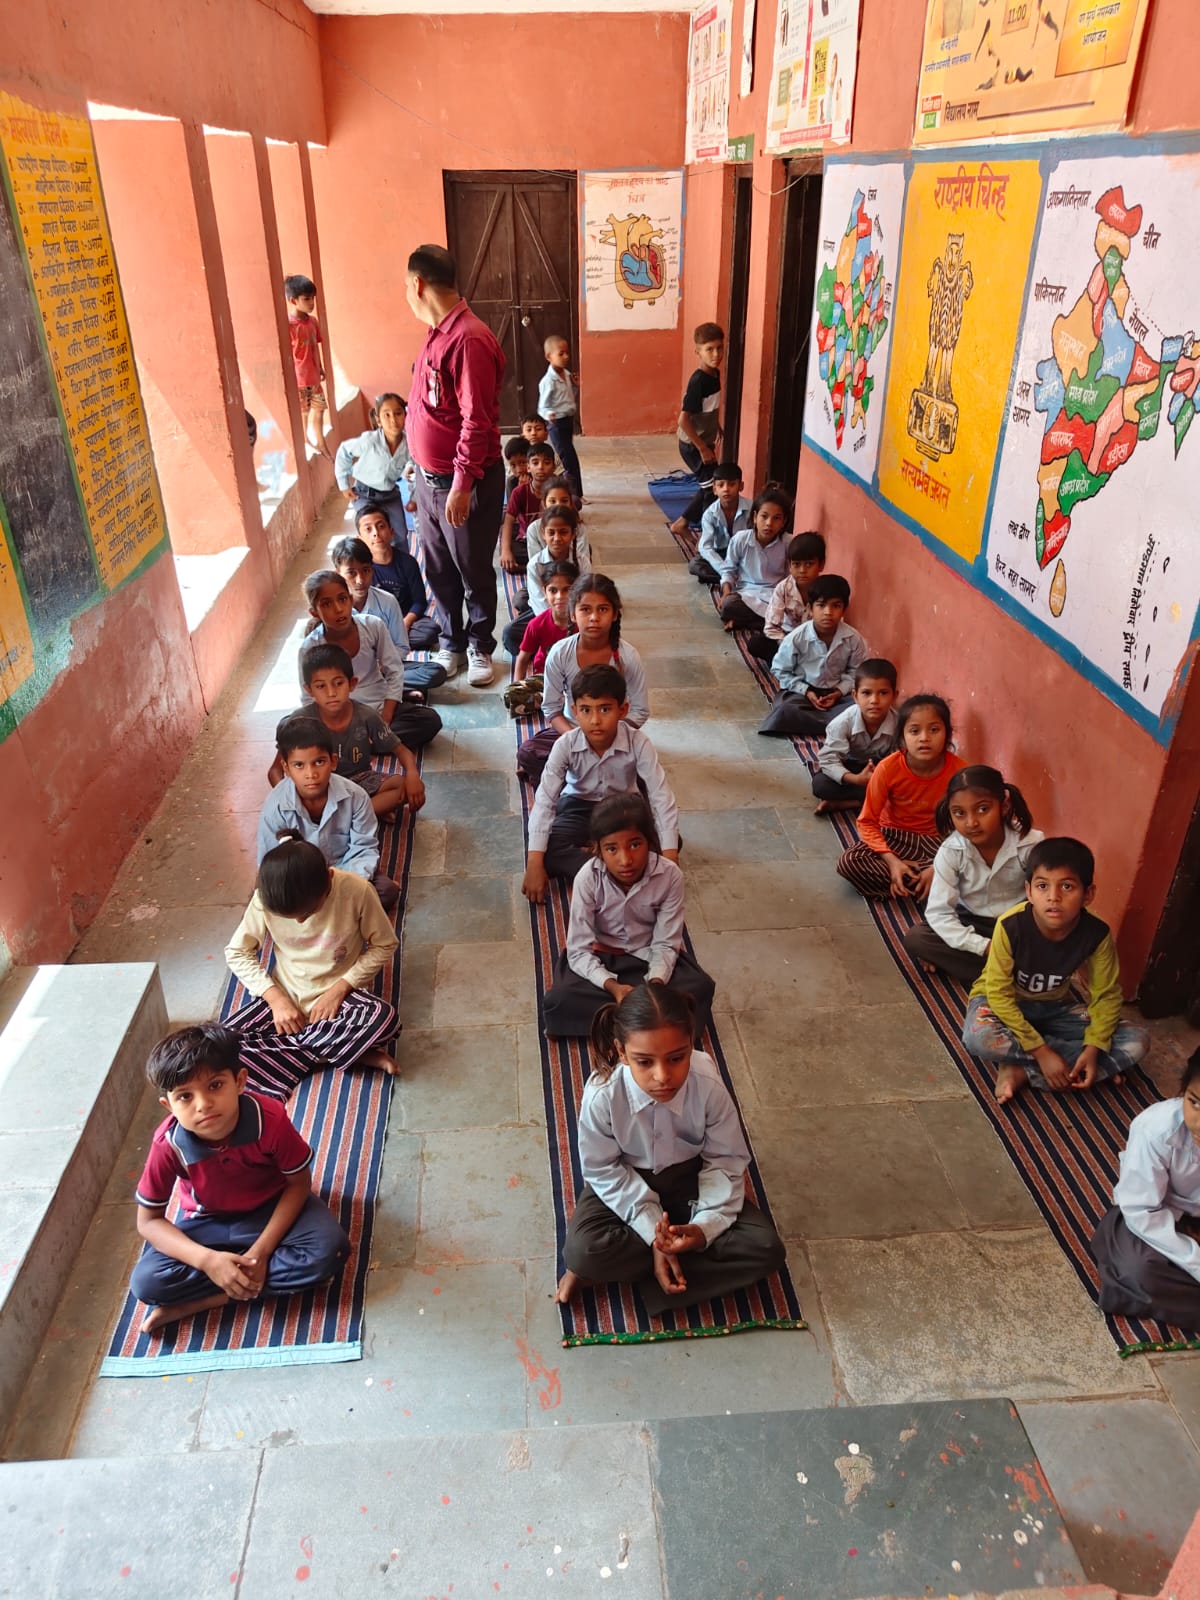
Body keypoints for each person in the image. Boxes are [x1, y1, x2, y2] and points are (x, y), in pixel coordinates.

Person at [554, 984, 786, 1314]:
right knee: (582, 1253)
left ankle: (641, 1270)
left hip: (692, 1177)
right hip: (626, 1179)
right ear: (621, 1052)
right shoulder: (602, 1095)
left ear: (691, 1046)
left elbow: (725, 1159)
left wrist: (702, 1228)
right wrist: (652, 1233)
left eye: (677, 1058)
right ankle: (665, 1261)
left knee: (766, 1249)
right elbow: (602, 1169)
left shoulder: (707, 1083)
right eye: (644, 1061)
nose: (663, 1076)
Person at [129, 1023, 351, 1335]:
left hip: (276, 1208)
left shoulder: (270, 1119)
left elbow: (298, 1183)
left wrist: (259, 1253)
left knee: (332, 1251)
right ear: (169, 1105)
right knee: (147, 1283)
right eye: (184, 1096)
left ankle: (209, 1300)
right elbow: (149, 1221)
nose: (203, 1104)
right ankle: (242, 1281)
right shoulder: (168, 1145)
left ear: (240, 1081)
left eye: (215, 1086)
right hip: (209, 1223)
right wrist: (208, 1261)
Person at [963, 837, 1150, 1104]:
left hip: (1054, 1007)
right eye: (1042, 886)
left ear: (1088, 894)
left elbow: (1107, 995)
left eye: (1067, 886)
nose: (1053, 897)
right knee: (979, 1038)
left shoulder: (1096, 934)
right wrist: (1041, 1051)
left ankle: (1023, 1070)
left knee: (1137, 1040)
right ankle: (1067, 1065)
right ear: (1028, 891)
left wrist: (1094, 1047)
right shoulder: (1010, 925)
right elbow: (998, 993)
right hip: (1000, 1005)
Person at [225, 834, 400, 1101]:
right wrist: (276, 999)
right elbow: (237, 952)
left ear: (330, 878)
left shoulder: (357, 890)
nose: (299, 920)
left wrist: (340, 989)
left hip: (341, 998)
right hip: (286, 994)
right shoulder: (265, 897)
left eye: (307, 913)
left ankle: (291, 1054)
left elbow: (384, 944)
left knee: (382, 1017)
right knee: (222, 1045)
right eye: (290, 917)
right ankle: (345, 1050)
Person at [405, 244, 506, 686]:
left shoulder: (468, 338)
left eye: (405, 288)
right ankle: (451, 642)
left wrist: (463, 483)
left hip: (462, 482)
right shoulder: (437, 332)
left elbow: (476, 419)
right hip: (429, 481)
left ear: (418, 284)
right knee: (439, 566)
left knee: (473, 566)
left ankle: (481, 646)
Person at [543, 792, 713, 1039]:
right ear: (597, 850)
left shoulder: (669, 876)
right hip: (602, 957)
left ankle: (616, 1020)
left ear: (650, 841)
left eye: (635, 844)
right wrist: (613, 987)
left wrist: (654, 985)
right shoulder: (587, 877)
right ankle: (648, 1019)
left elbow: (666, 942)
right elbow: (578, 949)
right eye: (612, 848)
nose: (625, 860)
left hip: (648, 956)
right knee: (559, 1000)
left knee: (700, 987)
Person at [522, 663, 678, 890]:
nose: (595, 720)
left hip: (623, 808)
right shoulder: (565, 744)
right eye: (586, 710)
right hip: (578, 806)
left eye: (605, 709)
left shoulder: (638, 742)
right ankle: (617, 872)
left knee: (667, 843)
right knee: (545, 849)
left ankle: (598, 865)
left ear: (622, 710)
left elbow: (660, 796)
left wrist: (671, 861)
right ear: (574, 711)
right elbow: (545, 799)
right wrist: (534, 864)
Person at [1090, 1048, 1200, 1330]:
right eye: (1195, 1102)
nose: (1199, 1121)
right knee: (1138, 1270)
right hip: (1158, 1207)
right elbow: (1141, 1211)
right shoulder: (1156, 1128)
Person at [902, 765, 1043, 985]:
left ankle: (996, 971)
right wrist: (984, 947)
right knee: (917, 939)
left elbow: (1045, 896)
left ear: (1004, 806)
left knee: (1055, 938)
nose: (971, 823)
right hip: (973, 921)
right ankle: (1012, 974)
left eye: (983, 809)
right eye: (959, 813)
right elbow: (940, 913)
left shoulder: (1030, 844)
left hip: (1018, 923)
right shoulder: (952, 851)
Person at [516, 574, 649, 785]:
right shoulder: (560, 653)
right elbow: (551, 707)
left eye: (602, 609)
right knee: (528, 753)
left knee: (641, 775)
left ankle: (574, 780)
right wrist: (578, 739)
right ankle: (587, 782)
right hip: (571, 730)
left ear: (615, 614)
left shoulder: (628, 657)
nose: (594, 617)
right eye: (585, 609)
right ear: (572, 614)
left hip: (614, 734)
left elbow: (640, 710)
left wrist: (607, 735)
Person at [259, 714, 400, 911]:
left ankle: (322, 910)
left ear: (333, 762)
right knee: (271, 897)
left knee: (386, 891)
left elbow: (363, 849)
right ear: (286, 768)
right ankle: (332, 910)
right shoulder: (275, 808)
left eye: (319, 762)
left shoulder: (355, 797)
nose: (311, 774)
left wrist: (339, 886)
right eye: (299, 765)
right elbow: (271, 861)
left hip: (345, 874)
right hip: (302, 880)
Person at [270, 645, 424, 823]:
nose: (331, 693)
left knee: (403, 787)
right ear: (309, 690)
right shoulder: (300, 720)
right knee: (306, 798)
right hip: (319, 786)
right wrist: (288, 797)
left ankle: (343, 818)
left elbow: (401, 750)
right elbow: (275, 770)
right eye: (321, 686)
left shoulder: (366, 715)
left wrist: (413, 776)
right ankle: (363, 815)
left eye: (338, 683)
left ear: (352, 684)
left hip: (360, 782)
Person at [835, 693, 966, 898]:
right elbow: (867, 822)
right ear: (902, 737)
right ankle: (924, 885)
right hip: (894, 837)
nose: (924, 738)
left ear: (947, 735)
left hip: (939, 842)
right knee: (849, 862)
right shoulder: (888, 768)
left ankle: (917, 882)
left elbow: (967, 828)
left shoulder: (961, 773)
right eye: (914, 731)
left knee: (978, 867)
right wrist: (893, 862)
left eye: (934, 730)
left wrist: (938, 867)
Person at [301, 569, 443, 748]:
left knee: (429, 720)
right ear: (315, 612)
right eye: (327, 604)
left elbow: (394, 670)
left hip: (379, 705)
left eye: (342, 599)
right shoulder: (310, 647)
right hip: (338, 715)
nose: (338, 609)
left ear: (351, 600)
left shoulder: (372, 626)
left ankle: (354, 747)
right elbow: (309, 698)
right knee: (293, 727)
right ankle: (367, 744)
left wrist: (385, 720)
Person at [757, 575, 867, 737]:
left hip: (837, 695)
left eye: (836, 606)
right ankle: (835, 725)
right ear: (809, 609)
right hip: (801, 693)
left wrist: (837, 692)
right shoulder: (796, 638)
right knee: (785, 708)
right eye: (821, 605)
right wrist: (807, 691)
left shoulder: (853, 639)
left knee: (861, 708)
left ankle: (823, 723)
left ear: (844, 609)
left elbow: (857, 674)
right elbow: (780, 670)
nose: (828, 612)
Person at [330, 528, 440, 655]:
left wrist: (380, 664)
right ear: (337, 573)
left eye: (365, 570)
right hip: (352, 668)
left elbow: (402, 648)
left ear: (372, 569)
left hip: (385, 664)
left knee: (432, 669)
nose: (360, 580)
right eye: (351, 573)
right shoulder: (333, 607)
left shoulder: (387, 600)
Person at [811, 658, 898, 813]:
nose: (874, 701)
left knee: (905, 789)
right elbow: (829, 760)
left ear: (894, 696)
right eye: (866, 693)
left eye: (883, 693)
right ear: (855, 696)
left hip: (882, 771)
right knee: (821, 785)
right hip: (850, 766)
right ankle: (870, 800)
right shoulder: (842, 722)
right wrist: (857, 779)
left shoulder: (900, 724)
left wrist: (880, 776)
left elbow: (902, 760)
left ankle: (846, 804)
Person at [334, 393, 414, 548]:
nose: (393, 420)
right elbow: (344, 451)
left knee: (400, 535)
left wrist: (414, 497)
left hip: (390, 494)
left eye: (398, 413)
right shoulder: (370, 441)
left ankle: (402, 570)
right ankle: (374, 570)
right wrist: (344, 484)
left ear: (405, 415)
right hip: (364, 494)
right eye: (387, 415)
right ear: (378, 420)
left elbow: (417, 465)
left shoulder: (409, 443)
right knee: (372, 535)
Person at [668, 322, 725, 536]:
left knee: (711, 484)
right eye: (709, 349)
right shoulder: (698, 381)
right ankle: (706, 536)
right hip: (693, 445)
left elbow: (707, 408)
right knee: (713, 488)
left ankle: (682, 523)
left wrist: (715, 426)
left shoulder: (715, 374)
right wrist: (702, 448)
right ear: (697, 351)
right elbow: (683, 420)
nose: (716, 354)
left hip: (703, 440)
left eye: (719, 348)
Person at [503, 561, 578, 718]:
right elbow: (523, 658)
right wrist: (518, 686)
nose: (560, 597)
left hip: (578, 678)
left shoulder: (583, 622)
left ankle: (556, 702)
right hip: (546, 677)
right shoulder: (536, 624)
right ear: (544, 592)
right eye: (553, 590)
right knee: (511, 696)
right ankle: (559, 702)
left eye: (567, 590)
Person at [747, 531, 827, 664]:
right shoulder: (783, 588)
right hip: (786, 639)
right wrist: (788, 646)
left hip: (813, 645)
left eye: (809, 564)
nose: (802, 570)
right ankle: (787, 663)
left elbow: (830, 628)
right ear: (789, 565)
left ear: (821, 564)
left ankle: (790, 665)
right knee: (755, 644)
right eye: (796, 564)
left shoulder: (827, 591)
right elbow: (771, 627)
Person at [718, 488, 792, 632]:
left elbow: (791, 577)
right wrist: (726, 593)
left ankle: (751, 622)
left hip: (776, 596)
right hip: (747, 595)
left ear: (784, 522)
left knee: (794, 613)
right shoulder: (741, 539)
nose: (769, 523)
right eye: (764, 516)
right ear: (754, 517)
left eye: (776, 518)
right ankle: (770, 624)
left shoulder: (789, 543)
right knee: (729, 606)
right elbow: (728, 570)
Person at [285, 273, 330, 460]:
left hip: (313, 376)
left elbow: (315, 347)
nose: (311, 303)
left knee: (319, 409)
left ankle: (321, 442)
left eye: (312, 298)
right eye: (306, 299)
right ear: (293, 300)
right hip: (300, 379)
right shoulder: (289, 325)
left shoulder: (313, 322)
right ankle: (305, 440)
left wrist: (319, 367)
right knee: (304, 412)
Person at [689, 462, 750, 586]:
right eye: (721, 485)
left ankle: (732, 577)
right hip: (721, 554)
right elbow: (705, 547)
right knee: (695, 565)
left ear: (741, 486)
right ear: (714, 489)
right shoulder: (710, 514)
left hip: (744, 554)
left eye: (732, 484)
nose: (726, 489)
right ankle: (735, 577)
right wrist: (723, 569)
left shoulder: (752, 509)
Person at [500, 441, 557, 574]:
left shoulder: (558, 488)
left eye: (547, 463)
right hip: (527, 540)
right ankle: (550, 565)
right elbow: (508, 521)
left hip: (554, 538)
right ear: (529, 467)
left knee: (582, 548)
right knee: (509, 555)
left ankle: (536, 566)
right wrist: (506, 551)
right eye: (535, 463)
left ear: (554, 467)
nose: (541, 467)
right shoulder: (519, 491)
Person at [538, 335, 583, 500]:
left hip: (567, 421)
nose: (566, 357)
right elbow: (542, 407)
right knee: (568, 459)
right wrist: (549, 414)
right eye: (561, 353)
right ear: (549, 357)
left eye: (567, 353)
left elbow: (569, 397)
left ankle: (577, 493)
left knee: (570, 457)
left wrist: (576, 388)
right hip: (556, 424)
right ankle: (572, 495)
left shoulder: (566, 374)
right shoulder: (548, 381)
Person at [503, 435, 530, 503]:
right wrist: (520, 490)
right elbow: (512, 511)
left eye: (523, 463)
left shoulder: (540, 477)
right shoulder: (511, 482)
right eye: (513, 465)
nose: (519, 470)